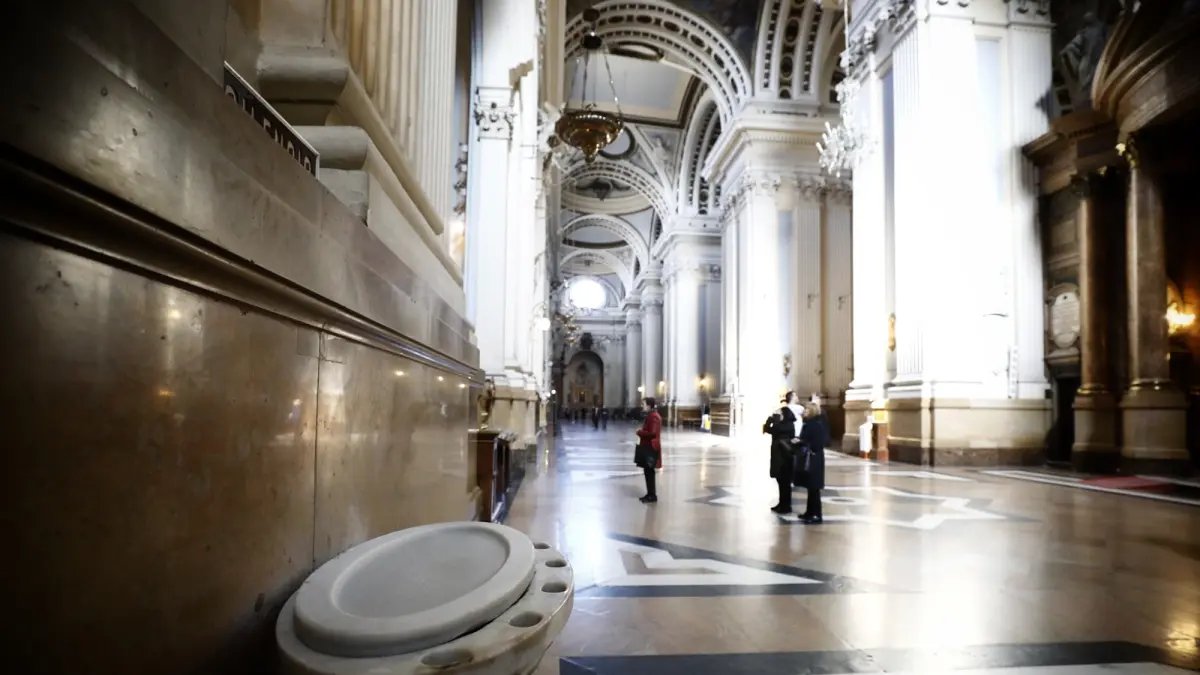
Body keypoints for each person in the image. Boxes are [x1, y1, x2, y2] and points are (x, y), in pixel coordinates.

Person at [763, 391, 804, 514]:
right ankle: (782, 504)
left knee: (784, 483)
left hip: (782, 457)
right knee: (782, 483)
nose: (778, 415)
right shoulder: (787, 425)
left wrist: (771, 418)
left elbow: (767, 428)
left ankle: (785, 506)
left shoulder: (781, 426)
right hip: (783, 456)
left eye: (780, 414)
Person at [796, 401, 830, 524]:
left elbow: (816, 444)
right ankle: (809, 512)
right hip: (811, 457)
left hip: (814, 459)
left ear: (811, 411)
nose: (804, 411)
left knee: (814, 488)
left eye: (806, 409)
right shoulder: (809, 424)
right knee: (811, 487)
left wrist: (801, 444)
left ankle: (816, 514)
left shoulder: (815, 425)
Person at [635, 397, 662, 503]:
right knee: (648, 471)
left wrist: (639, 432)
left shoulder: (654, 416)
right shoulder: (651, 415)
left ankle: (652, 495)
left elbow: (652, 433)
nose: (642, 406)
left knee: (649, 472)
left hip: (651, 447)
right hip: (648, 445)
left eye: (644, 404)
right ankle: (649, 494)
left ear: (649, 405)